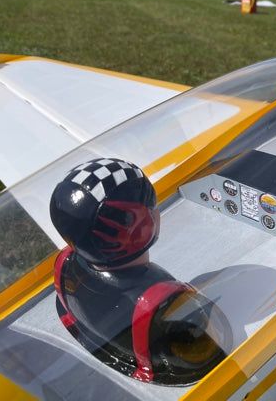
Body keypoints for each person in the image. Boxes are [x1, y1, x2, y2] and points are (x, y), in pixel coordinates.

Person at [50, 158, 229, 386]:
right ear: (142, 225)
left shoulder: (66, 267)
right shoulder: (170, 305)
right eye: (152, 205)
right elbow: (210, 354)